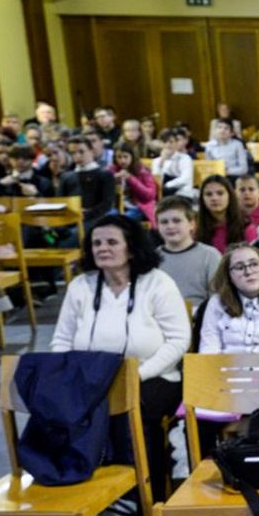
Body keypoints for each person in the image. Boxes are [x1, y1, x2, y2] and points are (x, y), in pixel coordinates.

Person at [51, 214, 190, 500]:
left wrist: (137, 374)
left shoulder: (157, 283)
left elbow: (179, 340)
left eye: (112, 242)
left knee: (134, 411)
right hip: (91, 379)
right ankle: (87, 500)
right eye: (96, 243)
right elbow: (62, 340)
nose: (102, 248)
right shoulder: (80, 286)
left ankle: (149, 500)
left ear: (131, 247)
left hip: (153, 376)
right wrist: (70, 376)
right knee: (62, 411)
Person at [154, 195, 220, 309]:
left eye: (177, 220)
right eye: (164, 222)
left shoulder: (210, 256)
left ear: (192, 224)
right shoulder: (152, 258)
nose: (170, 226)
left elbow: (218, 299)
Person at [61, 135, 118, 222]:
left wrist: (85, 215)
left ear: (91, 151)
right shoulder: (66, 176)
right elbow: (61, 201)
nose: (77, 156)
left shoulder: (104, 174)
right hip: (70, 220)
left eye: (81, 152)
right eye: (73, 153)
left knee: (74, 234)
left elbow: (107, 204)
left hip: (96, 219)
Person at [196, 175, 256, 253]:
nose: (214, 198)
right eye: (209, 194)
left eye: (220, 193)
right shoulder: (196, 229)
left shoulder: (246, 227)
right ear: (202, 200)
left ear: (230, 196)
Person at [111, 141, 158, 225]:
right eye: (119, 157)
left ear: (132, 157)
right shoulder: (112, 170)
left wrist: (130, 179)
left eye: (126, 157)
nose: (122, 160)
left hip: (139, 207)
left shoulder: (142, 171)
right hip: (117, 207)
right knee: (109, 216)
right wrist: (111, 180)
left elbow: (150, 195)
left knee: (125, 220)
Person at [153, 128, 195, 199]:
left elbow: (185, 178)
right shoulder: (157, 161)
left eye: (171, 142)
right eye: (165, 142)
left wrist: (167, 185)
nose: (168, 145)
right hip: (162, 193)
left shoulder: (185, 158)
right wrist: (162, 161)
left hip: (182, 193)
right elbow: (156, 179)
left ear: (176, 143)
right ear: (160, 144)